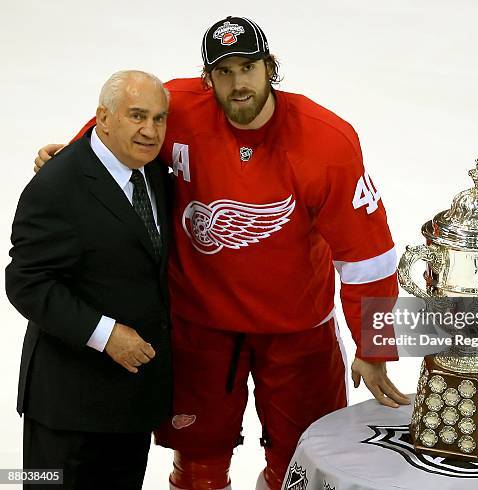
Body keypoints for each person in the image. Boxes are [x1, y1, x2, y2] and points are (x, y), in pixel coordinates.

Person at [35, 16, 409, 490]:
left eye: (248, 67)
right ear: (206, 77)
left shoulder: (326, 141)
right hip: (200, 327)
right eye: (223, 72)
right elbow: (110, 133)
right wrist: (66, 161)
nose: (237, 84)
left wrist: (374, 346)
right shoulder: (177, 108)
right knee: (198, 467)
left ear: (270, 67)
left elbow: (369, 256)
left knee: (302, 465)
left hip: (298, 332)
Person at [7, 70, 173, 490]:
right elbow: (27, 282)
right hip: (65, 408)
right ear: (104, 117)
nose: (150, 131)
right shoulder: (56, 184)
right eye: (137, 116)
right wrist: (105, 334)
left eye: (159, 118)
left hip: (130, 403)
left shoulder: (152, 174)